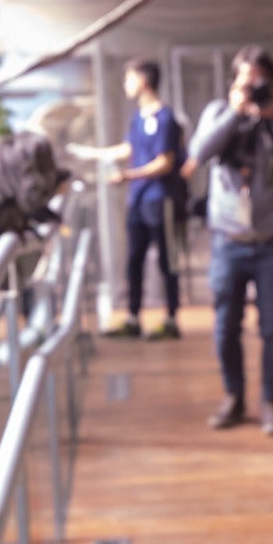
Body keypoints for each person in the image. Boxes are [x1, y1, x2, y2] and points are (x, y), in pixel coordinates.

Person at [186, 45, 273, 436]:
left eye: (260, 82)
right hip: (228, 240)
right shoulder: (217, 112)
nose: (253, 89)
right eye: (246, 81)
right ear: (233, 83)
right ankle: (233, 398)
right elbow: (199, 152)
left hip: (272, 240)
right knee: (226, 326)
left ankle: (271, 404)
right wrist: (234, 111)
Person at [68, 59, 184, 340]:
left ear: (143, 81)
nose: (125, 85)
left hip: (160, 200)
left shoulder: (166, 119)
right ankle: (133, 318)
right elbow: (129, 149)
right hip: (138, 201)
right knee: (134, 260)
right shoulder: (138, 118)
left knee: (167, 261)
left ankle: (171, 320)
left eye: (129, 79)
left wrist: (128, 176)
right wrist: (93, 154)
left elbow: (165, 163)